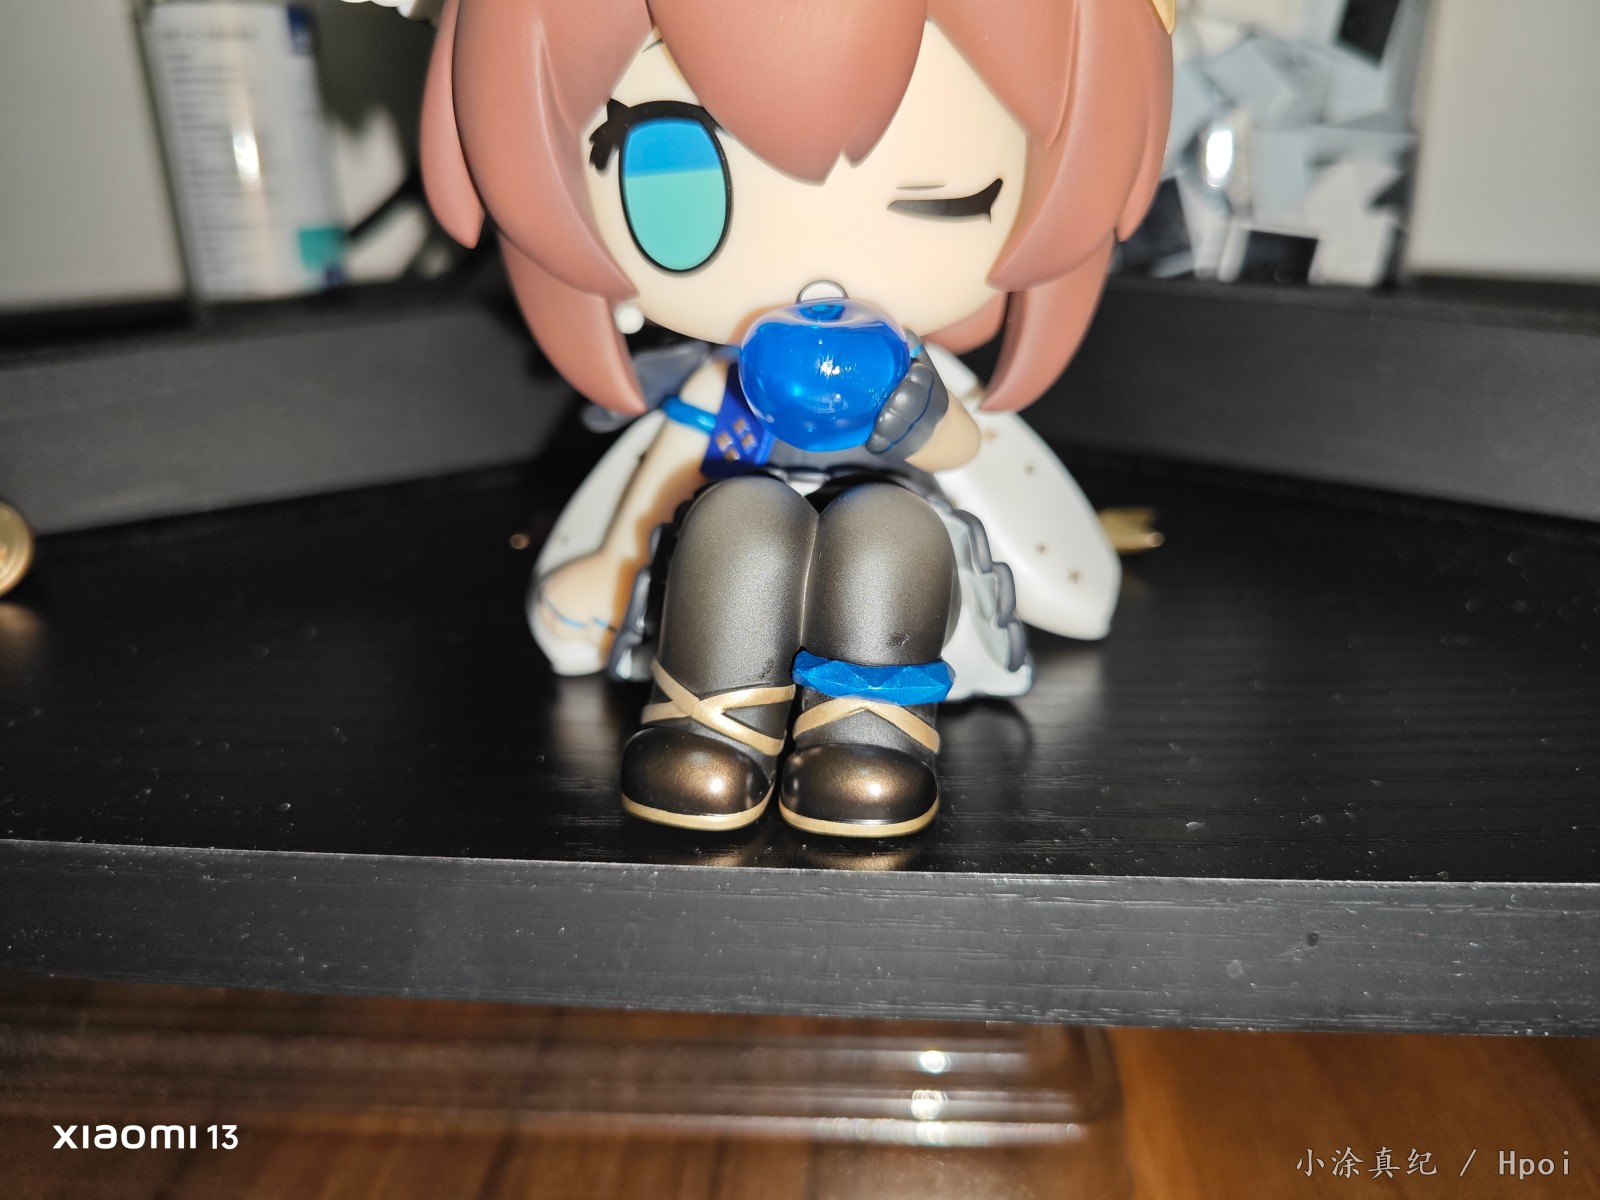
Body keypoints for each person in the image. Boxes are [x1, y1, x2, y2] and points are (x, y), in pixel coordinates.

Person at [419, 0, 1174, 835]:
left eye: (944, 199)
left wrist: (926, 426)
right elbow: (660, 477)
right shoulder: (725, 390)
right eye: (680, 174)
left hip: (903, 584)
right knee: (737, 518)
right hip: (726, 576)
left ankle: (871, 731)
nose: (817, 275)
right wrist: (611, 561)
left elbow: (976, 463)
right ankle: (707, 721)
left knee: (893, 529)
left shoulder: (917, 381)